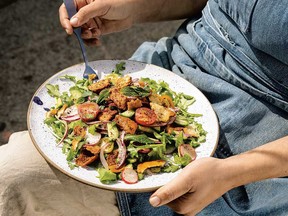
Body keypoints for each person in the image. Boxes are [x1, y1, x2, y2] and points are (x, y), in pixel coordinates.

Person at [1, 0, 288, 215]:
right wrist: (131, 7)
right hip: (178, 67)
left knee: (13, 174)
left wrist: (231, 172)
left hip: (249, 141)